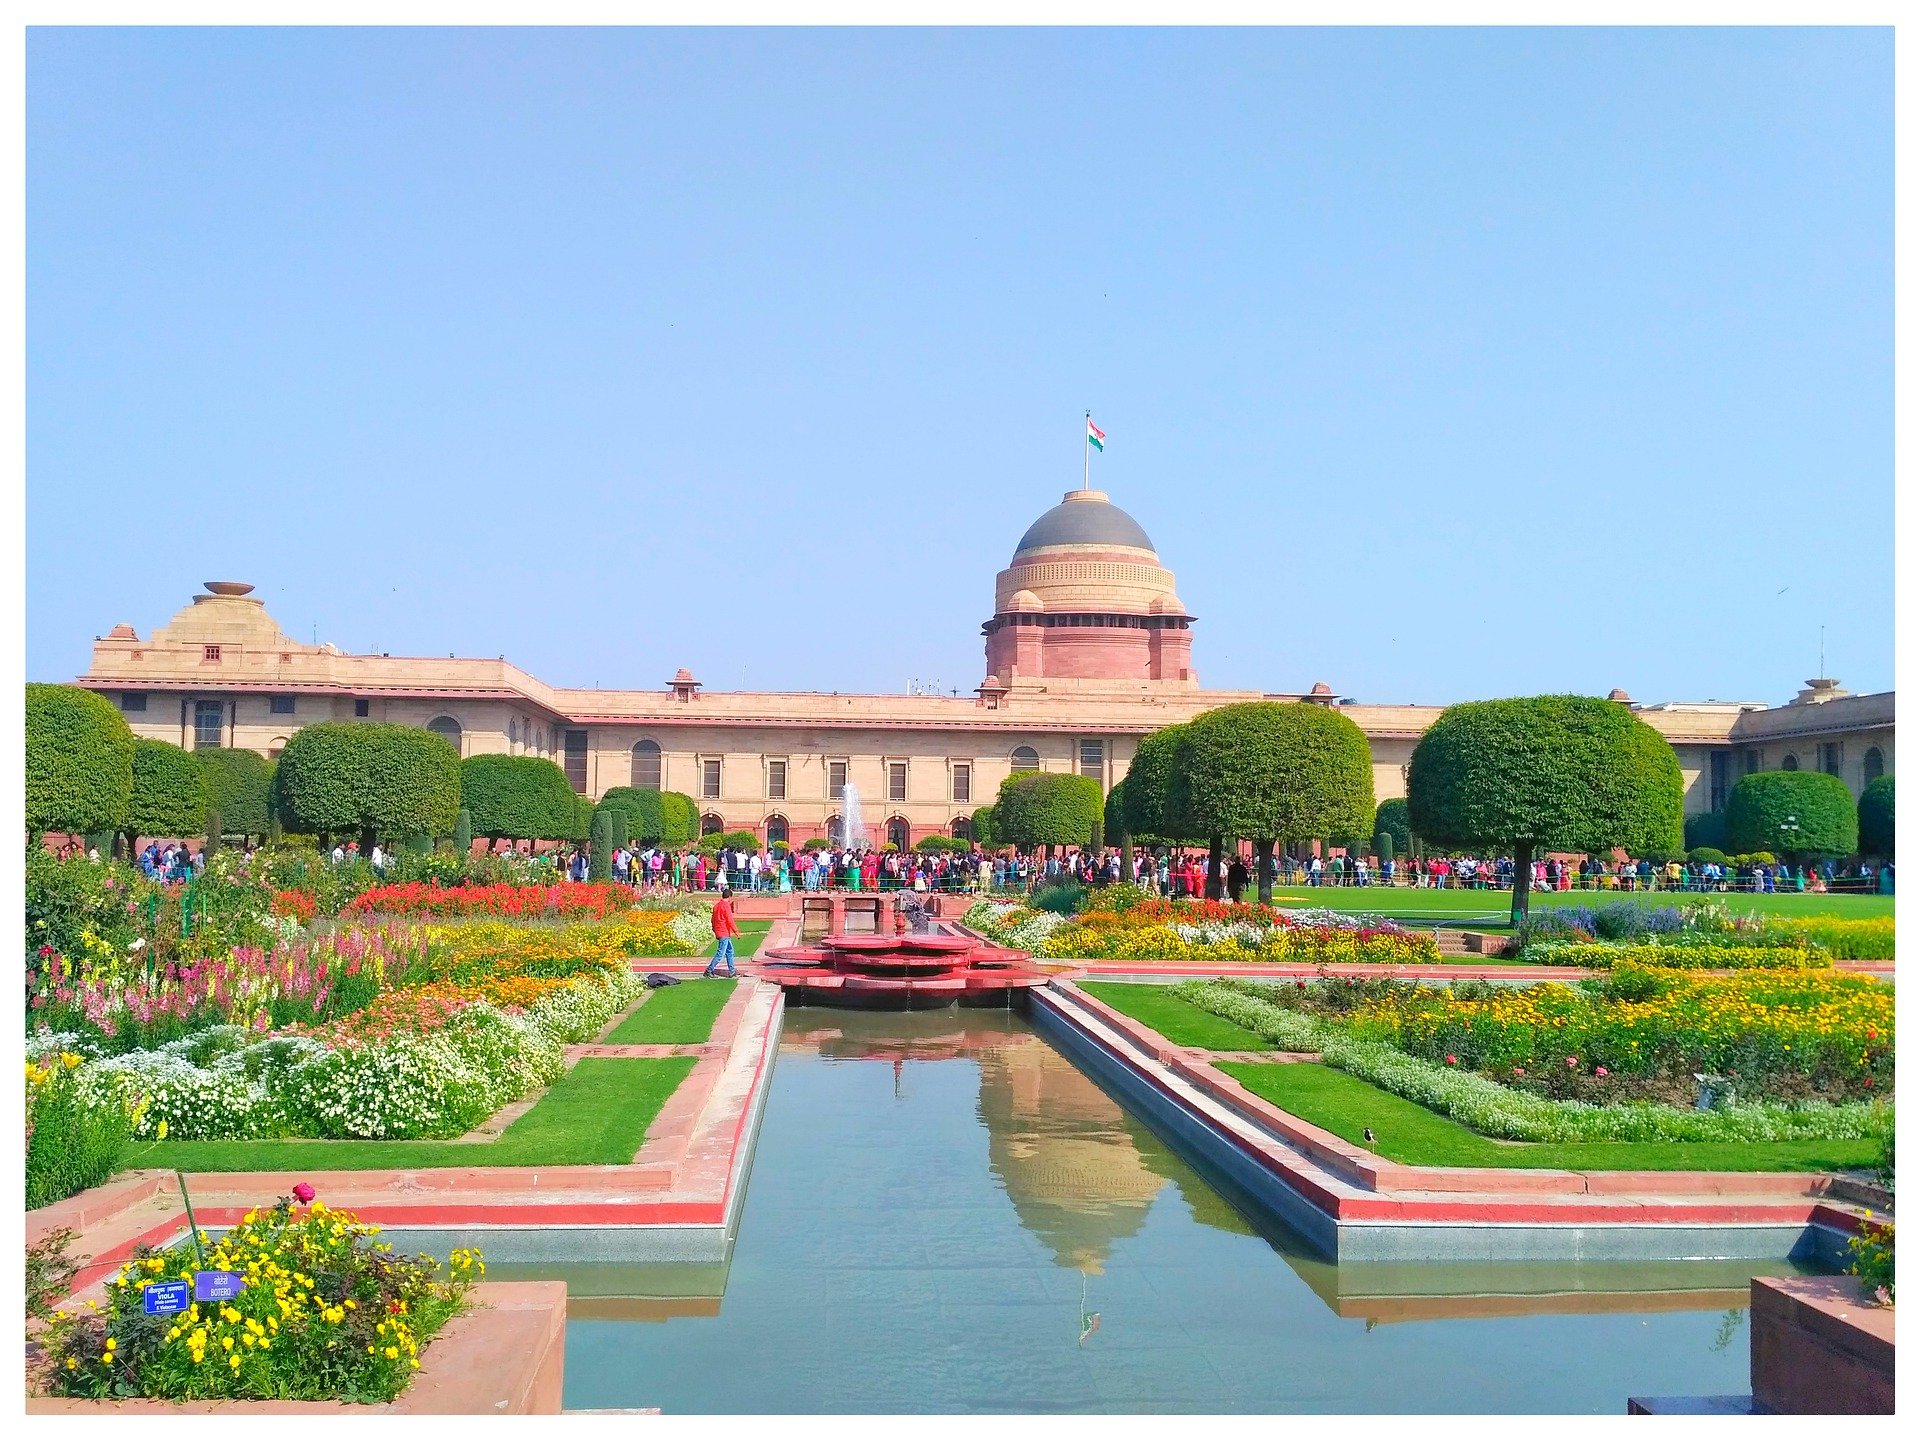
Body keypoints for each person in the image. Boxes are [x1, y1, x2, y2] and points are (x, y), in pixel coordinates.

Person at [704, 886, 740, 978]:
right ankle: (709, 970)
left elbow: (713, 919)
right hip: (724, 931)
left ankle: (732, 970)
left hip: (720, 930)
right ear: (730, 897)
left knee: (729, 951)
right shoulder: (726, 906)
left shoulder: (717, 906)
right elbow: (729, 919)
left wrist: (714, 929)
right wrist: (736, 931)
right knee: (721, 953)